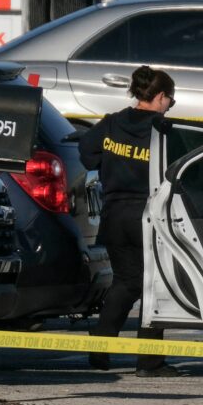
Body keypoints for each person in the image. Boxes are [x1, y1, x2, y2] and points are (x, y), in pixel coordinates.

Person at [79, 65, 180, 378]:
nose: (170, 106)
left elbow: (87, 153)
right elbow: (181, 169)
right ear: (160, 97)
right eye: (170, 100)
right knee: (154, 287)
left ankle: (101, 343)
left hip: (114, 216)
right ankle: (149, 361)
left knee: (126, 282)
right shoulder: (163, 128)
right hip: (147, 217)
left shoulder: (112, 123)